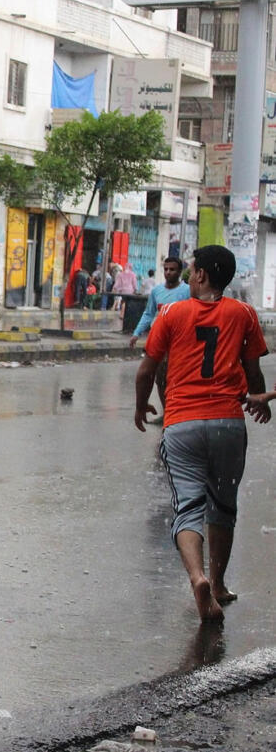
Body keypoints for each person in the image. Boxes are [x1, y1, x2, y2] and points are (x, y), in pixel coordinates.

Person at [134, 245, 270, 623]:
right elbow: (253, 371)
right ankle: (220, 583)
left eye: (194, 270)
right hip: (228, 422)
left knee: (188, 506)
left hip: (182, 424)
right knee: (223, 504)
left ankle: (197, 578)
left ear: (202, 276)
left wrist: (141, 405)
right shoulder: (244, 314)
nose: (191, 275)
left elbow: (147, 370)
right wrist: (261, 402)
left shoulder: (172, 312)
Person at [130, 256, 191, 420]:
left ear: (179, 272)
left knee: (176, 380)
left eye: (172, 269)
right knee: (160, 379)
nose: (168, 272)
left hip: (180, 344)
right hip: (160, 342)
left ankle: (177, 413)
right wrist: (137, 333)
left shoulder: (187, 291)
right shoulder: (156, 291)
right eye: (166, 269)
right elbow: (149, 313)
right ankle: (167, 413)